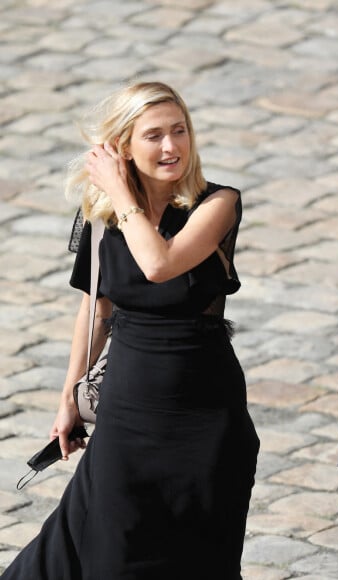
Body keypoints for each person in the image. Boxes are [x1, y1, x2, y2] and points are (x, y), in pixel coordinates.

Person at [3, 81, 260, 579]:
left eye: (179, 131)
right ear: (124, 147)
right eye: (154, 135)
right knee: (106, 556)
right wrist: (68, 399)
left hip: (205, 423)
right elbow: (93, 311)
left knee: (199, 564)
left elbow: (159, 264)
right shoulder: (100, 221)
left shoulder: (217, 204)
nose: (171, 147)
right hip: (128, 418)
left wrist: (120, 192)